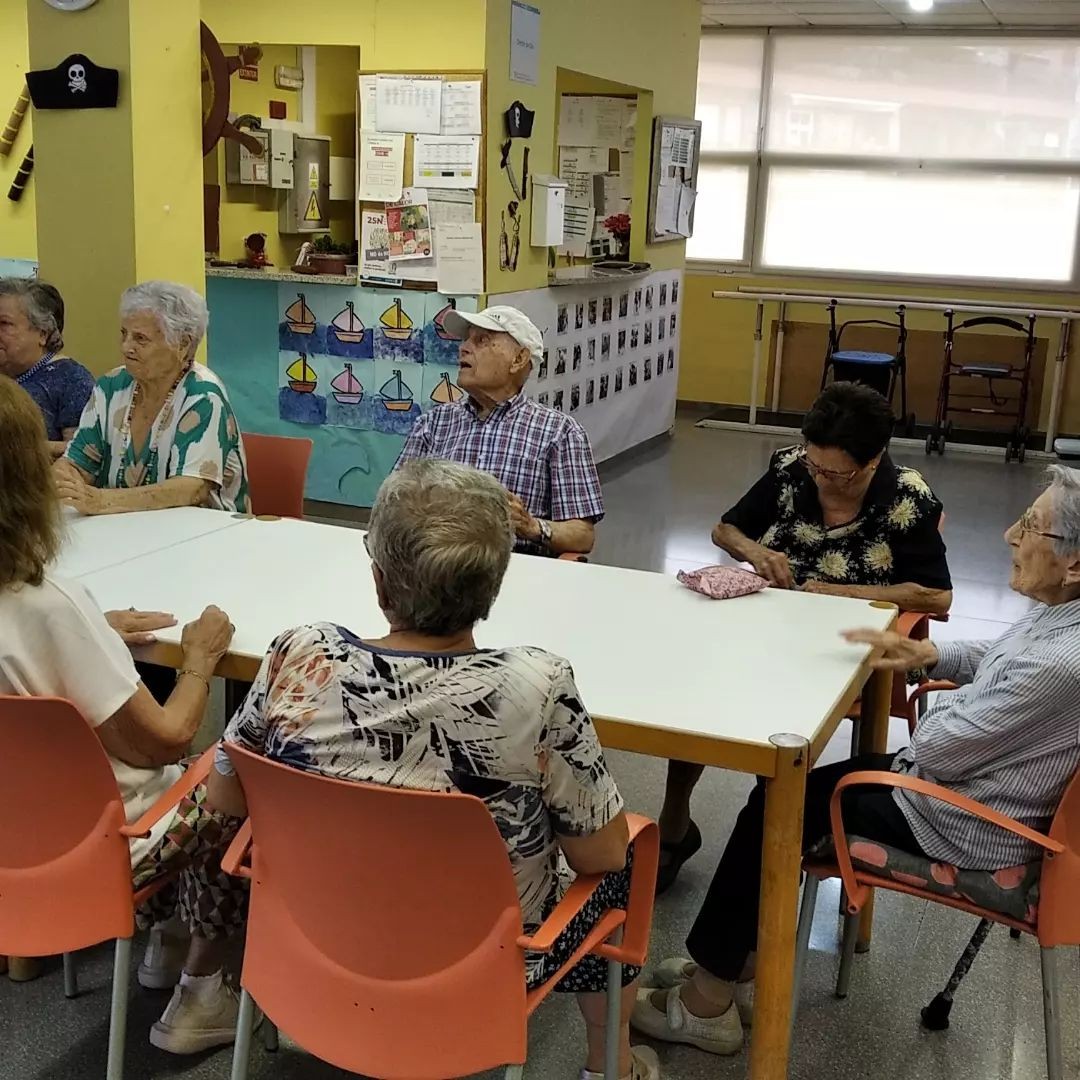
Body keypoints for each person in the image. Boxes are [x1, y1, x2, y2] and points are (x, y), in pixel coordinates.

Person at [203, 459, 659, 1080]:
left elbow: (225, 798)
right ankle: (612, 1065)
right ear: (494, 584)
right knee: (621, 863)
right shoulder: (535, 686)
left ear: (379, 579)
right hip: (480, 960)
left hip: (311, 933)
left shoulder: (300, 653)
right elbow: (598, 854)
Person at [633, 465, 1080, 1058]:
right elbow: (1000, 653)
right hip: (966, 785)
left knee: (777, 807)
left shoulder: (1059, 666)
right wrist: (929, 653)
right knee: (780, 795)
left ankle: (708, 1003)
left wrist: (947, 705)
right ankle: (736, 966)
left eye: (1029, 526)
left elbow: (935, 747)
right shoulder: (1064, 613)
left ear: (1074, 563)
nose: (1009, 536)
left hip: (964, 818)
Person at [0, 375, 247, 1046]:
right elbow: (166, 739)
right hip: (102, 841)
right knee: (232, 770)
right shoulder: (50, 604)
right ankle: (200, 990)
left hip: (13, 827)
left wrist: (92, 632)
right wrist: (198, 658)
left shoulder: (51, 613)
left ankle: (167, 938)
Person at [656, 381, 953, 892]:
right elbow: (726, 529)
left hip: (842, 646)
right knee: (695, 692)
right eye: (816, 466)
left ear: (873, 459)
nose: (821, 479)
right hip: (768, 625)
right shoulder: (793, 468)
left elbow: (936, 595)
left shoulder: (907, 497)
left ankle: (775, 820)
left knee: (776, 708)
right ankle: (676, 822)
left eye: (836, 473)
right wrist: (756, 552)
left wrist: (842, 592)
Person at [396, 306, 604, 556]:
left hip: (515, 567)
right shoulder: (433, 423)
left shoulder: (560, 432)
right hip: (436, 564)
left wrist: (531, 526)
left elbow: (582, 536)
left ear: (519, 359)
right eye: (466, 339)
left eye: (482, 340)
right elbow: (392, 504)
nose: (464, 348)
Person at [54, 280, 250, 515]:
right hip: (120, 526)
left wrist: (102, 500)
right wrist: (66, 479)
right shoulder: (111, 387)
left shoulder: (203, 395)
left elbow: (191, 489)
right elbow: (77, 463)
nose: (126, 347)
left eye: (140, 339)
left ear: (183, 344)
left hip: (201, 529)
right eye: (124, 334)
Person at [0, 277, 94, 458]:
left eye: (4, 324)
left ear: (42, 334)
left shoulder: (71, 380)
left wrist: (23, 447)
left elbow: (84, 455)